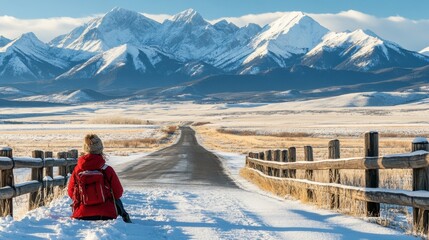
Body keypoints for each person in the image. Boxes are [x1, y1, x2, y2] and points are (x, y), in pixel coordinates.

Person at [68, 134, 131, 223]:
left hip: (81, 214)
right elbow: (118, 193)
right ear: (100, 149)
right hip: (106, 214)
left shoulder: (77, 170)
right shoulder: (107, 169)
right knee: (118, 201)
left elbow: (71, 193)